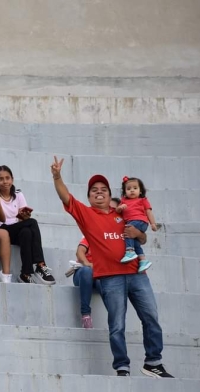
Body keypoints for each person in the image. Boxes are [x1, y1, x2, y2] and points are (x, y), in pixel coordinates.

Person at [51, 156, 173, 378]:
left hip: (137, 274)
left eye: (104, 189)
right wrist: (57, 176)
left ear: (110, 194)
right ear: (88, 197)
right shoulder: (86, 215)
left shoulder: (123, 213)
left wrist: (140, 234)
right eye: (94, 190)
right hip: (110, 278)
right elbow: (65, 196)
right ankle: (122, 367)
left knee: (151, 317)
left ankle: (153, 362)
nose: (99, 192)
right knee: (117, 325)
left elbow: (141, 239)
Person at [0, 165, 56, 284]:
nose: (5, 181)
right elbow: (2, 218)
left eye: (7, 178)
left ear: (12, 179)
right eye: (1, 179)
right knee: (33, 222)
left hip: (16, 228)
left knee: (26, 232)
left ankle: (25, 274)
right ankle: (41, 264)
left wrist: (24, 217)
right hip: (3, 230)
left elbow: (21, 219)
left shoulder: (18, 194)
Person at [72, 197, 120, 329]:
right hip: (83, 273)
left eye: (112, 210)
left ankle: (115, 318)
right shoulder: (93, 232)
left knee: (102, 281)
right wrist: (88, 264)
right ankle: (85, 315)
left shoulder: (117, 236)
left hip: (101, 276)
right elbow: (80, 252)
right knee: (88, 271)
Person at [117, 176, 157, 272]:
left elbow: (148, 212)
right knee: (135, 243)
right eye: (129, 188)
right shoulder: (123, 201)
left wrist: (153, 223)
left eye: (135, 188)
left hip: (140, 221)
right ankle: (143, 260)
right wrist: (120, 208)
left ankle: (130, 251)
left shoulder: (142, 200)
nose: (132, 190)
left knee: (128, 229)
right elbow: (117, 210)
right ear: (124, 192)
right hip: (133, 222)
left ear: (140, 191)